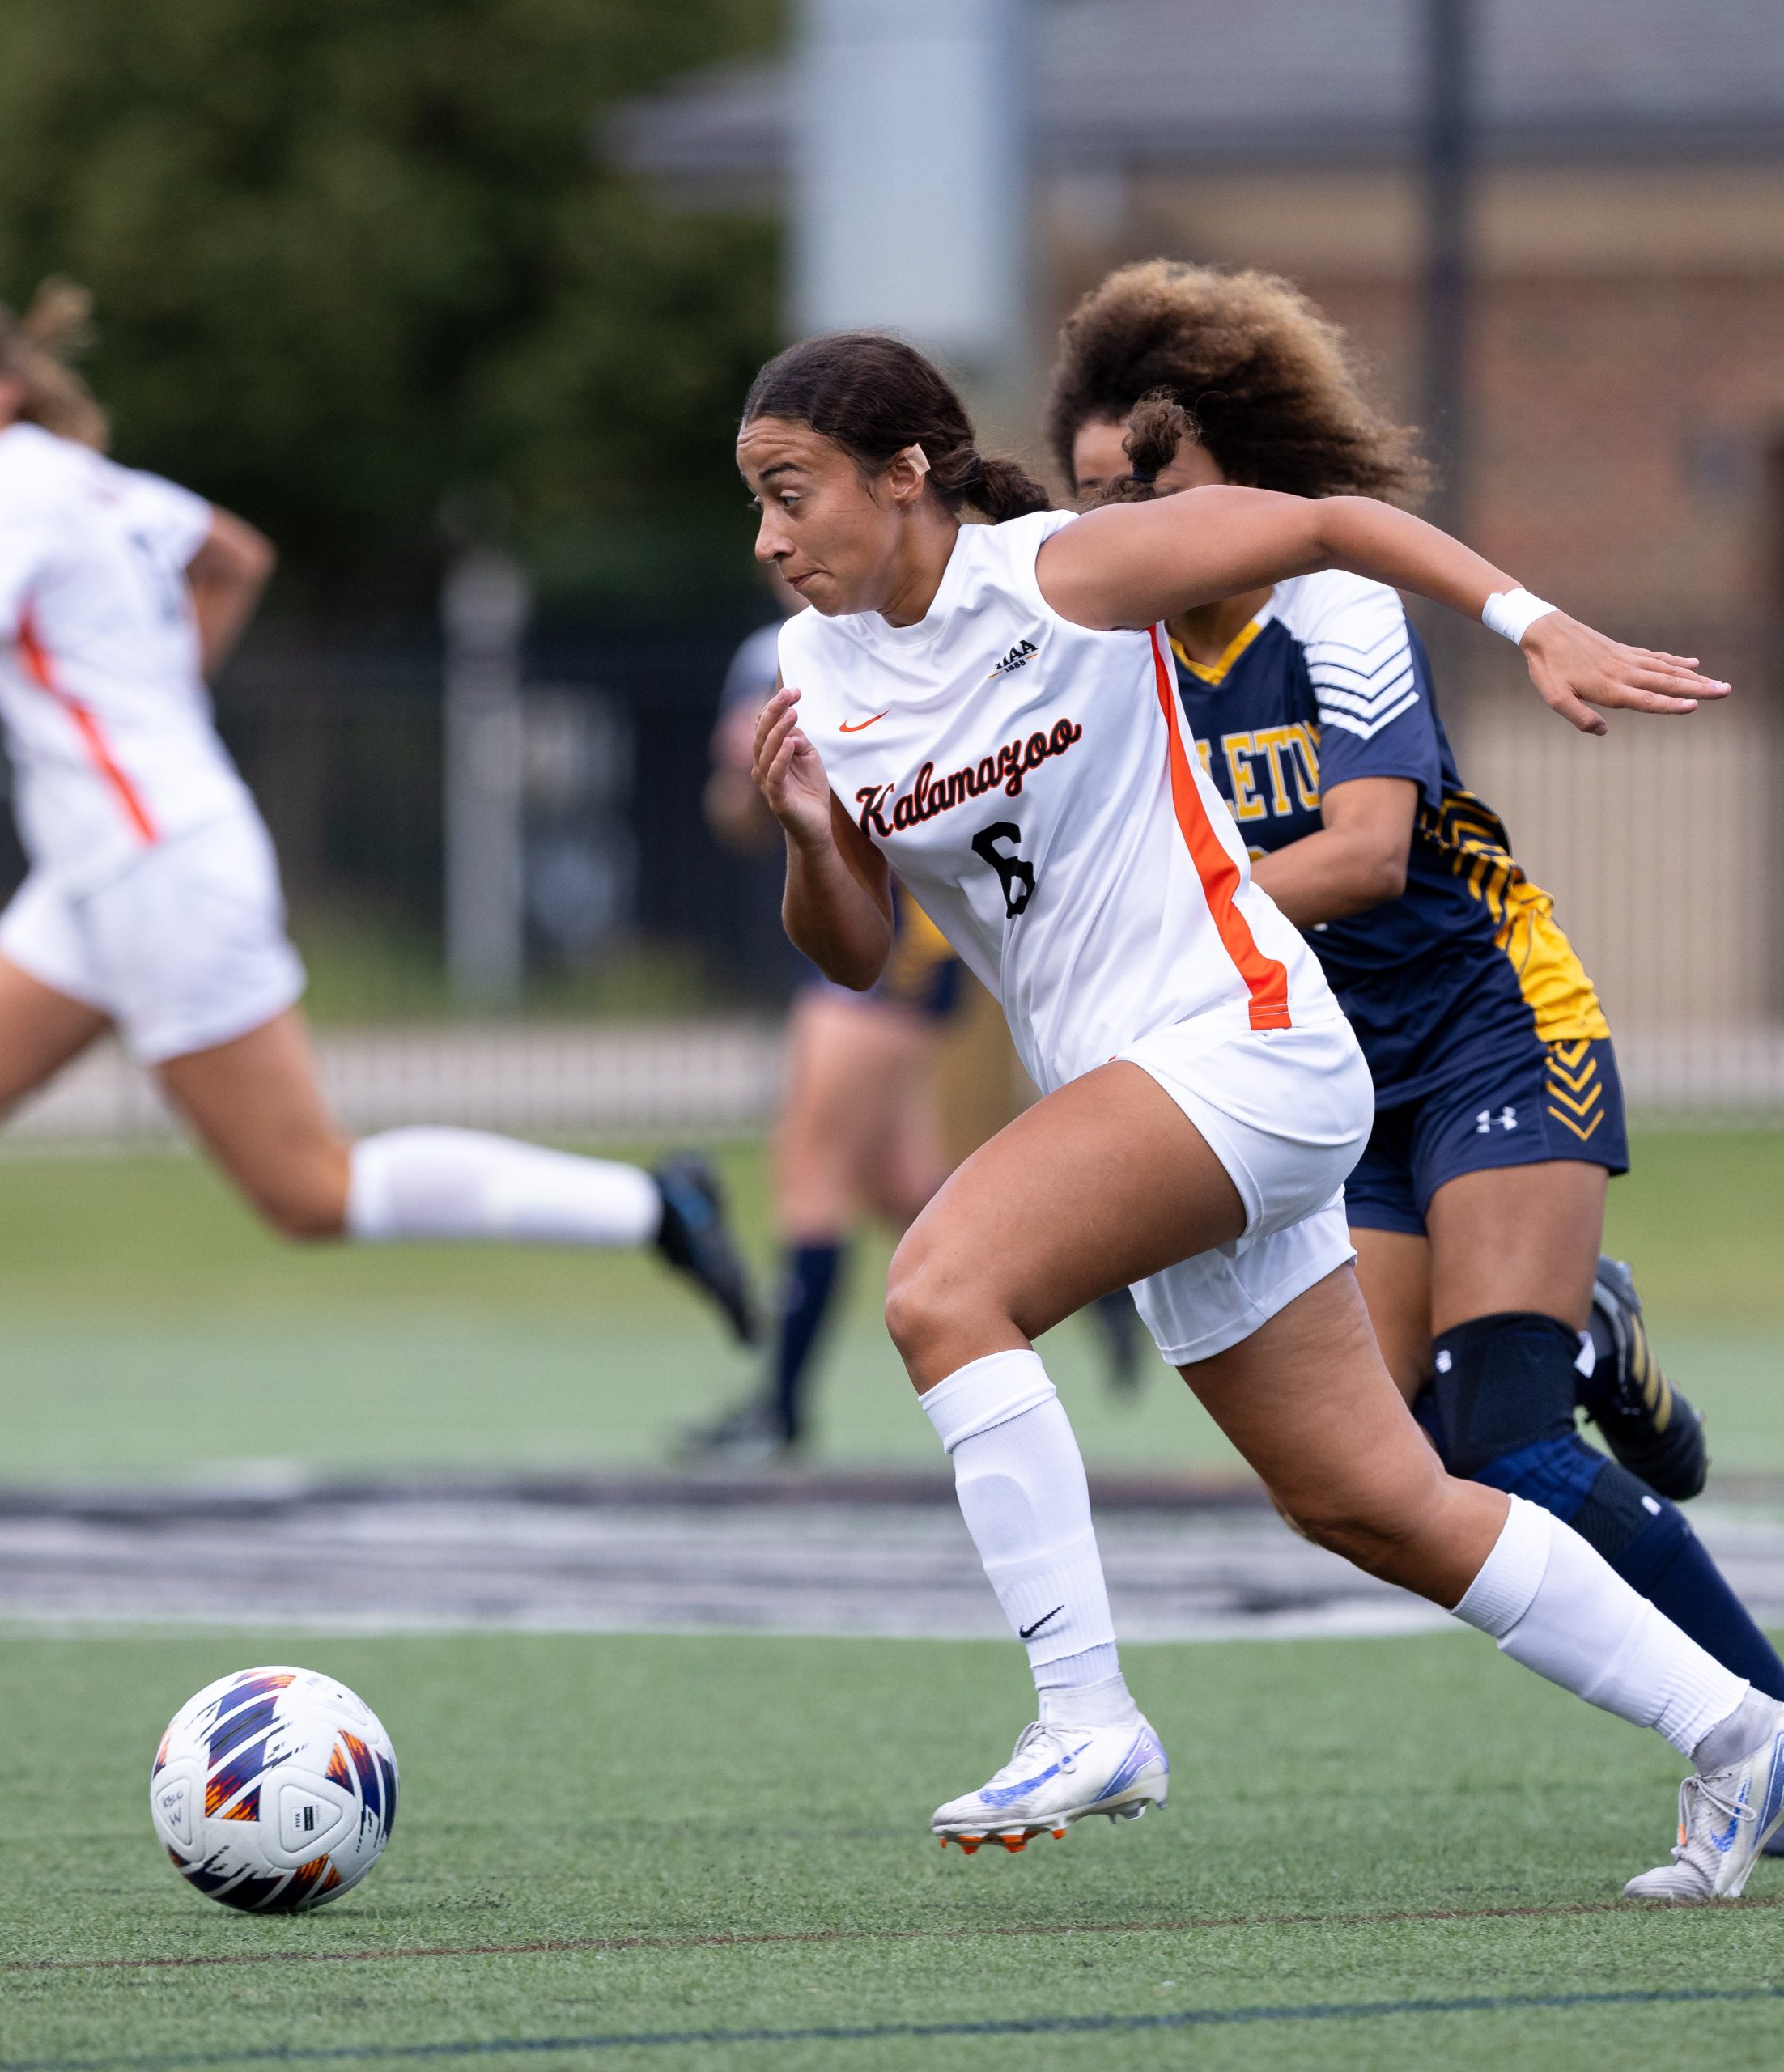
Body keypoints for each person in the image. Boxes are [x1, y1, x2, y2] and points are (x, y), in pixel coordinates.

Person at [738, 327, 1779, 1903]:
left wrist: (1527, 619)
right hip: (1144, 1096)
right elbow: (860, 947)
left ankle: (1086, 1713)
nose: (766, 537)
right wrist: (814, 840)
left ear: (902, 476)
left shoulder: (1058, 572)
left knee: (942, 1282)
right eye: (752, 502)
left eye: (788, 492)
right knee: (1369, 1497)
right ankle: (1737, 1728)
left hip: (1243, 1046)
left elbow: (1320, 523)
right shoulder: (819, 675)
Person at [0, 279, 755, 1525]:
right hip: (99, 879)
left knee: (309, 1194)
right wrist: (165, 699)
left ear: (2, 386)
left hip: (160, 868)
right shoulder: (73, 475)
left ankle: (655, 1206)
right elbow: (235, 556)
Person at [1043, 260, 1784, 1726]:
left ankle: (1765, 1728)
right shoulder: (1111, 652)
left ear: (1240, 468)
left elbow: (1371, 852)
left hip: (1491, 1029)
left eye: (1153, 479)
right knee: (1384, 1467)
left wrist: (1164, 921)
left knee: (1510, 1445)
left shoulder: (1329, 603)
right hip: (1337, 1083)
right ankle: (1587, 1338)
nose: (1125, 523)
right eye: (1093, 494)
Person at [685, 594, 1141, 1463]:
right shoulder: (766, 654)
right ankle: (1098, 1288)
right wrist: (751, 780)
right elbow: (735, 819)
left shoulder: (920, 636)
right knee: (900, 1182)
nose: (780, 542)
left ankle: (779, 1407)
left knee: (810, 1163)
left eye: (799, 498)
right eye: (770, 506)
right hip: (824, 918)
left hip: (895, 938)